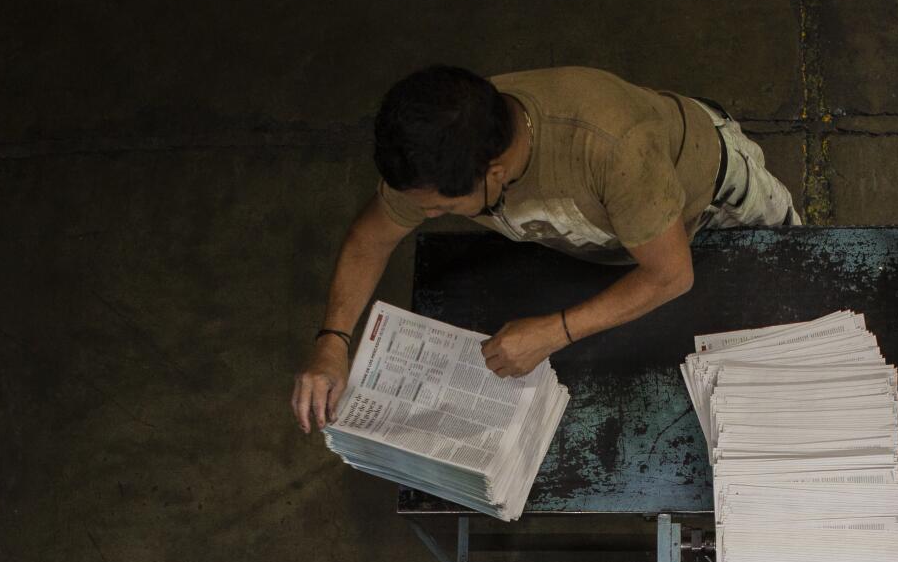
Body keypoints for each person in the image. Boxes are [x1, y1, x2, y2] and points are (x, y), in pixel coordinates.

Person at [290, 65, 800, 432]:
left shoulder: (611, 148)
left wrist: (553, 332)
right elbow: (371, 235)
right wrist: (332, 340)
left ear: (494, 174)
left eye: (441, 208)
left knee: (796, 273)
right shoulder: (454, 145)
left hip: (711, 198)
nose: (425, 217)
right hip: (611, 240)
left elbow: (670, 275)